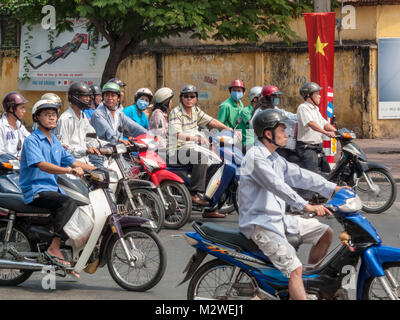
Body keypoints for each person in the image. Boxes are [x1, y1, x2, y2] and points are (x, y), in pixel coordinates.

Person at [238, 108, 348, 300]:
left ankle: (308, 285)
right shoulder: (255, 158)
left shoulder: (274, 157)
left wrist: (332, 188)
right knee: (295, 269)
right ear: (268, 133)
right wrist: (306, 206)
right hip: (261, 224)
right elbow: (278, 186)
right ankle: (298, 285)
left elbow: (299, 175)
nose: (286, 133)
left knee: (325, 233)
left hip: (279, 219)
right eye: (282, 130)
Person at [19, 99, 96, 275]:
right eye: (47, 115)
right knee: (68, 203)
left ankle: (65, 254)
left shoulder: (54, 141)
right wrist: (69, 170)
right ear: (37, 118)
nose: (52, 118)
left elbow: (73, 160)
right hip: (36, 190)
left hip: (51, 190)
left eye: (54, 115)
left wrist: (97, 169)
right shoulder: (32, 141)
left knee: (80, 204)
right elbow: (42, 165)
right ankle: (54, 248)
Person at [168, 84, 241, 219]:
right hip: (177, 149)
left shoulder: (196, 110)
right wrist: (197, 138)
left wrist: (229, 130)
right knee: (201, 157)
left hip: (193, 146)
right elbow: (176, 134)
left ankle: (210, 204)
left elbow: (211, 121)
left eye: (192, 96)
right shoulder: (176, 113)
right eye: (186, 96)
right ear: (181, 98)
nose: (189, 99)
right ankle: (194, 193)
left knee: (218, 161)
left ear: (196, 98)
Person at [54, 82, 102, 166]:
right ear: (75, 97)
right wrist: (85, 151)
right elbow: (64, 148)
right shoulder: (65, 119)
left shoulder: (83, 116)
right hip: (71, 165)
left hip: (86, 161)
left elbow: (91, 138)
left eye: (89, 96)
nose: (88, 99)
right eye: (85, 96)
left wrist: (109, 145)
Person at [296, 82, 336, 174]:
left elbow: (324, 123)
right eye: (317, 94)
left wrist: (337, 131)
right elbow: (311, 123)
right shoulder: (303, 108)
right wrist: (326, 133)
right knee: (312, 176)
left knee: (328, 173)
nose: (320, 96)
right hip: (307, 148)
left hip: (317, 147)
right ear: (308, 95)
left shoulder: (315, 109)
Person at [0, 91, 30, 158]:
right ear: (11, 108)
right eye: (22, 108)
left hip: (20, 164)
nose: (24, 111)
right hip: (6, 166)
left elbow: (30, 139)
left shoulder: (20, 126)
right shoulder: (1, 127)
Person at [242, 86, 262, 151]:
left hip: (256, 141)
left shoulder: (260, 110)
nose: (263, 99)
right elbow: (254, 125)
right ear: (255, 99)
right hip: (247, 143)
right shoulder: (245, 111)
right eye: (261, 97)